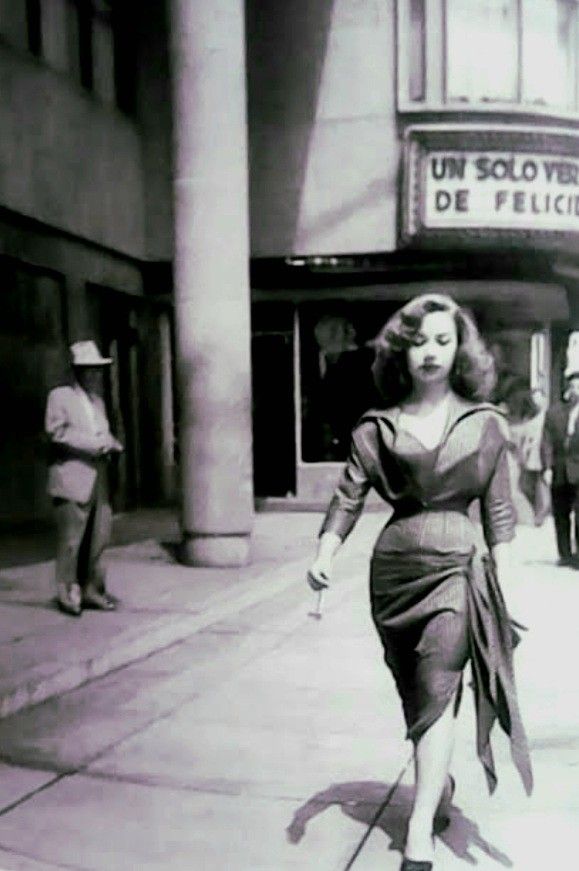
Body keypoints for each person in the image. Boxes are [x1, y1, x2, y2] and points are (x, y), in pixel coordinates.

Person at [307, 294, 532, 870]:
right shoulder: (377, 428)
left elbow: (500, 513)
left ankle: (417, 833)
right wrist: (326, 551)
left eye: (442, 340)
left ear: (460, 351)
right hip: (393, 575)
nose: (430, 352)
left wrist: (507, 586)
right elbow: (349, 494)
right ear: (399, 353)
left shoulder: (486, 425)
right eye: (418, 342)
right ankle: (439, 790)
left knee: (438, 690)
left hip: (458, 571)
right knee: (417, 701)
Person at [45, 340, 123, 616]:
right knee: (71, 540)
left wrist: (112, 443)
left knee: (99, 538)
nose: (94, 375)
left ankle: (93, 589)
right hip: (72, 478)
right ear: (77, 371)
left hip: (98, 479)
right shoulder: (60, 397)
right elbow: (56, 433)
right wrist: (96, 444)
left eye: (98, 370)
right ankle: (68, 593)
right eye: (89, 369)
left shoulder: (98, 402)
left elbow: (103, 434)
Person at [540, 371, 579, 567]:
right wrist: (547, 467)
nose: (576, 390)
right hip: (559, 471)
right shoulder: (555, 412)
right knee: (561, 514)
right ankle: (564, 554)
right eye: (573, 386)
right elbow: (545, 442)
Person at [507, 385, 550, 526]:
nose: (536, 401)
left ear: (544, 399)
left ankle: (540, 515)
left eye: (538, 398)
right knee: (525, 486)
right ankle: (536, 511)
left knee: (541, 487)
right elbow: (521, 434)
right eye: (533, 398)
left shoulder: (548, 416)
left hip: (542, 457)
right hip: (529, 457)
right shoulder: (530, 417)